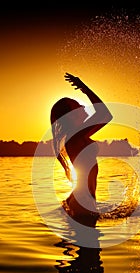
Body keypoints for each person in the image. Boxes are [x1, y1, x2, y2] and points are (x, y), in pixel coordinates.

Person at [50, 73, 113, 225]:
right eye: (77, 106)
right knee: (88, 247)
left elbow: (106, 116)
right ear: (70, 116)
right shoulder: (75, 135)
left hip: (81, 201)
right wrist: (84, 88)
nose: (83, 106)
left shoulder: (76, 136)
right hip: (83, 204)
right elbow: (105, 114)